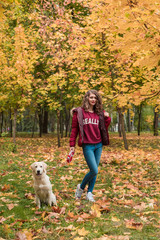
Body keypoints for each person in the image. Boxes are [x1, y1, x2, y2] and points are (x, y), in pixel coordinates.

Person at [69, 90, 111, 202]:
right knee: (94, 170)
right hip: (87, 145)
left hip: (98, 144)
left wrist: (107, 118)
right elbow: (74, 129)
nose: (93, 100)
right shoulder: (79, 112)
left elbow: (104, 126)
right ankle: (81, 187)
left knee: (95, 169)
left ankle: (89, 193)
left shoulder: (99, 112)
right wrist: (72, 144)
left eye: (95, 98)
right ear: (87, 98)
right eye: (91, 97)